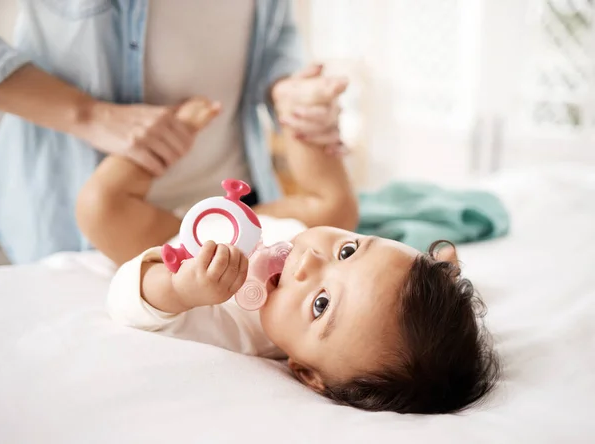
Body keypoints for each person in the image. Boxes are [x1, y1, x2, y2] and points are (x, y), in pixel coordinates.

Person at [77, 98, 500, 414]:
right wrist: (443, 275)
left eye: (321, 304)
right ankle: (300, 110)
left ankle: (166, 137)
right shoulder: (307, 252)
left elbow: (127, 303)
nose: (310, 262)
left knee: (99, 207)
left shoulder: (235, 331)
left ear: (305, 372)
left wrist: (179, 288)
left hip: (180, 240)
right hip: (264, 219)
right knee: (336, 206)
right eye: (349, 249)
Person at [0, 1, 347, 264]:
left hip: (165, 231)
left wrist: (285, 91)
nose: (308, 274)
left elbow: (274, 36)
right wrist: (90, 116)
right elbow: (335, 206)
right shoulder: (294, 249)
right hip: (78, 216)